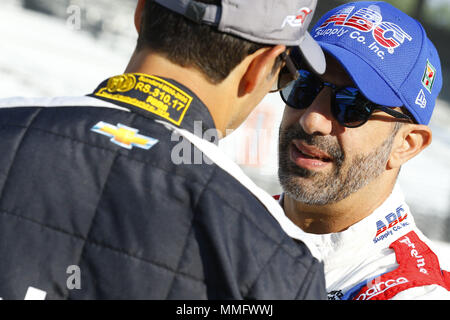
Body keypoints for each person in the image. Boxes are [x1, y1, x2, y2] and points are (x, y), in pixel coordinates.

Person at [0, 0, 328, 300]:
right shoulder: (276, 257)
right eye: (284, 72)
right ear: (260, 67)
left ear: (140, 14)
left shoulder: (9, 124)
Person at [275, 1, 450, 300]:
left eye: (351, 105)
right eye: (303, 86)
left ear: (406, 145)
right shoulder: (222, 214)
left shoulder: (414, 292)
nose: (311, 119)